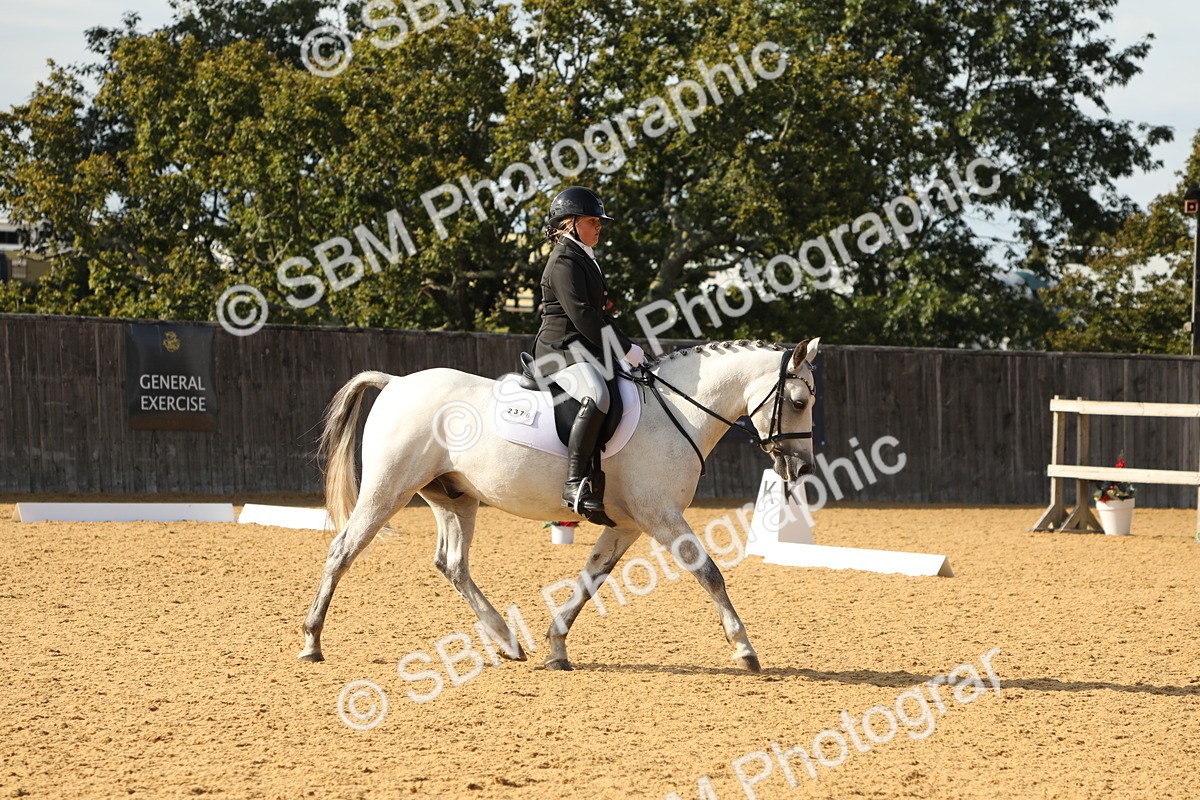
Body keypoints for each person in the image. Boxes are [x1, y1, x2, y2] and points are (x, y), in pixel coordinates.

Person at [532, 186, 645, 521]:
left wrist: (628, 348)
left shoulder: (583, 257)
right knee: (597, 394)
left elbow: (600, 316)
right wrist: (623, 348)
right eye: (593, 220)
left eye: (599, 221)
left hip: (581, 346)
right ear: (569, 223)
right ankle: (574, 482)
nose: (599, 227)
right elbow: (583, 315)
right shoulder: (564, 260)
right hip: (558, 349)